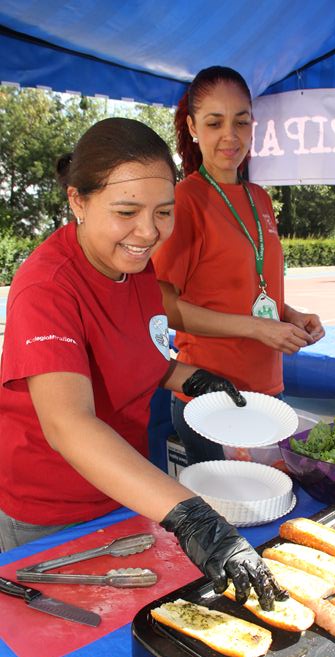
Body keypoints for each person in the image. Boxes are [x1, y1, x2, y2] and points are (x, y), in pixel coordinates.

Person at [0, 117, 287, 611]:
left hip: (128, 493)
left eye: (164, 212)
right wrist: (194, 519)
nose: (149, 232)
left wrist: (190, 377)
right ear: (78, 202)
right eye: (127, 211)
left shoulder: (133, 264)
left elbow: (141, 354)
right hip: (50, 512)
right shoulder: (47, 287)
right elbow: (68, 423)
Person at [152, 66, 324, 465]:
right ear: (194, 127)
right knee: (230, 519)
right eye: (214, 123)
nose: (230, 136)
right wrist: (258, 328)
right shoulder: (185, 200)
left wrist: (290, 315)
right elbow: (162, 306)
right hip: (212, 395)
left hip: (268, 391)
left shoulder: (259, 198)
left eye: (241, 122)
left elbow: (249, 288)